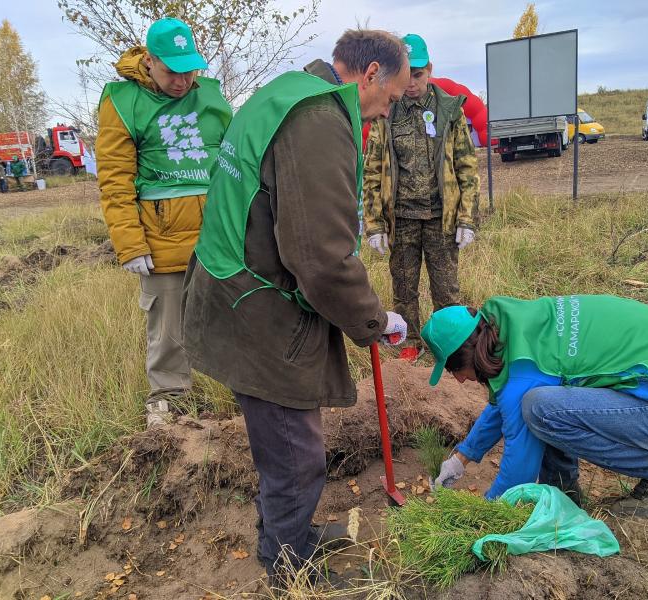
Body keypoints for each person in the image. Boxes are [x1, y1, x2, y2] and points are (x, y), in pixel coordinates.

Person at [181, 30, 411, 584]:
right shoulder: (319, 121)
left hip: (235, 291)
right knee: (293, 451)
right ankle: (290, 567)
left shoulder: (288, 90)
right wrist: (375, 322)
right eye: (393, 97)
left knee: (280, 442)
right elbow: (320, 259)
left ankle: (291, 536)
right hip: (257, 308)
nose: (387, 112)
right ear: (372, 73)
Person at [423, 294, 648, 519]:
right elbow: (507, 402)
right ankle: (563, 493)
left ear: (468, 356)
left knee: (541, 409)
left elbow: (519, 467)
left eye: (454, 371)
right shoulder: (517, 329)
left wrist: (485, 515)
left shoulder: (524, 373)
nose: (460, 382)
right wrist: (462, 458)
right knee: (545, 404)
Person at [95, 17, 232, 428]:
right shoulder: (123, 101)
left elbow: (233, 158)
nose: (183, 79)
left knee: (226, 316)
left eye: (190, 68)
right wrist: (130, 244)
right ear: (150, 61)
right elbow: (115, 180)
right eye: (173, 69)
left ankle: (229, 392)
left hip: (216, 233)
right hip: (160, 238)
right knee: (168, 323)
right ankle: (167, 401)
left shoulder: (209, 95)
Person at [363, 33, 479, 362]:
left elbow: (467, 169)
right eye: (406, 74)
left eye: (418, 74)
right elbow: (372, 170)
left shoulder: (450, 111)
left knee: (446, 292)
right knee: (403, 289)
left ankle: (450, 347)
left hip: (442, 219)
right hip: (402, 221)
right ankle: (409, 344)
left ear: (429, 70)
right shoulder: (386, 114)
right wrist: (374, 224)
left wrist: (466, 218)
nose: (412, 83)